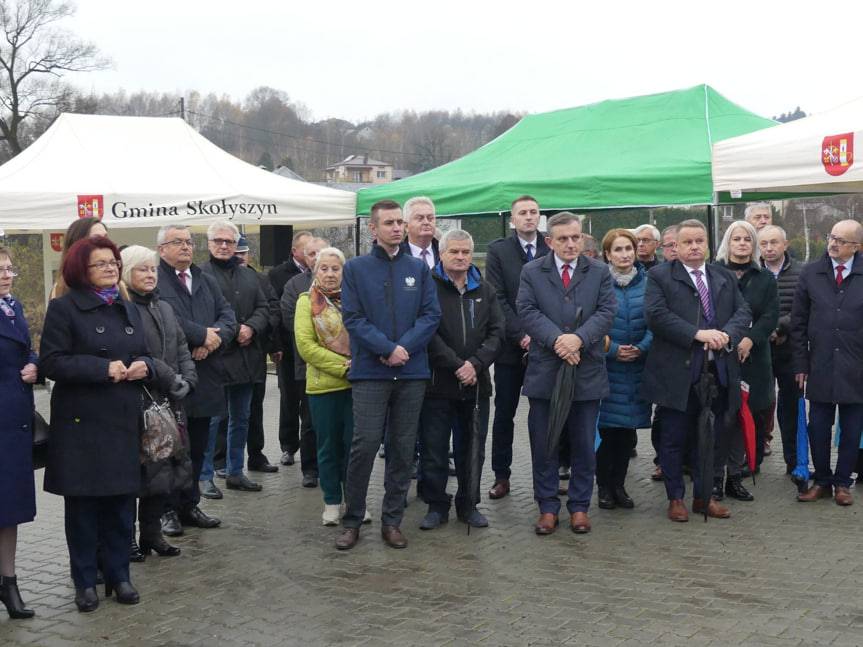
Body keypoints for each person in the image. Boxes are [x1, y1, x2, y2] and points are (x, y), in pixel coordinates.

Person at [41, 237, 154, 612]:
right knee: (84, 509)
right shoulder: (64, 308)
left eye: (114, 262)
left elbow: (143, 351)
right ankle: (85, 581)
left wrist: (145, 366)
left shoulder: (127, 307)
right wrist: (101, 368)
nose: (110, 268)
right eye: (101, 263)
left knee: (122, 506)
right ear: (80, 270)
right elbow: (52, 363)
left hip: (122, 417)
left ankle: (119, 575)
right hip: (82, 423)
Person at [334, 200, 440, 550]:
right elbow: (353, 318)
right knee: (364, 445)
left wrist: (403, 349)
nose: (397, 227)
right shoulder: (356, 269)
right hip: (370, 373)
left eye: (400, 222)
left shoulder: (418, 268)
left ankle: (392, 521)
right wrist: (386, 349)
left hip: (411, 373)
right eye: (390, 222)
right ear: (373, 228)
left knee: (403, 448)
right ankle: (352, 521)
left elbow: (430, 315)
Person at [641, 219, 751, 522]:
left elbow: (743, 311)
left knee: (711, 437)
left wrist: (727, 334)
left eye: (699, 241)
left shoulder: (724, 276)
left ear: (708, 244)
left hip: (718, 371)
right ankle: (676, 497)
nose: (693, 247)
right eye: (687, 242)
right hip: (677, 373)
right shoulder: (660, 276)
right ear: (675, 246)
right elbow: (656, 315)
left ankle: (705, 496)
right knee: (674, 437)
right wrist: (697, 334)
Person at [517, 212, 616, 535]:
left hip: (585, 368)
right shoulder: (532, 271)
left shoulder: (599, 271)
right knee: (545, 442)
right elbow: (527, 310)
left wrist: (579, 339)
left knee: (584, 444)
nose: (571, 244)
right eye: (563, 239)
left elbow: (606, 311)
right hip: (546, 369)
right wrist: (557, 339)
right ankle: (547, 506)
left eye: (575, 237)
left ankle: (579, 507)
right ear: (550, 242)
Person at [418, 229, 504, 530]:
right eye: (454, 251)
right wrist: (457, 365)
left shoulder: (486, 290)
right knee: (434, 449)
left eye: (465, 252)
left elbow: (497, 332)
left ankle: (469, 505)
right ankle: (436, 505)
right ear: (440, 254)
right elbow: (426, 333)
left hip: (476, 385)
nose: (460, 257)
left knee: (473, 449)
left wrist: (476, 364)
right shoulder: (427, 287)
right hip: (437, 385)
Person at [156, 225, 236, 534]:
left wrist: (213, 341)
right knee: (170, 449)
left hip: (206, 376)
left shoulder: (205, 280)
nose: (186, 247)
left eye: (189, 242)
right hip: (173, 378)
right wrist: (202, 336)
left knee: (198, 447)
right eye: (178, 242)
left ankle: (190, 504)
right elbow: (168, 320)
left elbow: (228, 317)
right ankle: (166, 510)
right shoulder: (158, 281)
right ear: (162, 249)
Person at [121, 246, 197, 559]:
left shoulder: (164, 307)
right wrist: (167, 379)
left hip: (169, 401)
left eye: (153, 269)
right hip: (137, 402)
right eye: (142, 269)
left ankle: (152, 533)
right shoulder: (123, 309)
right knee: (135, 474)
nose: (150, 275)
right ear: (127, 273)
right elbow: (134, 357)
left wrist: (189, 380)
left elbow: (181, 347)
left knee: (163, 471)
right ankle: (127, 539)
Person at [792, 219, 863, 506]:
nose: (833, 243)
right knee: (818, 427)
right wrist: (800, 364)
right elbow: (798, 323)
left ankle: (843, 483)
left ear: (856, 247)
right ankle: (821, 480)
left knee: (852, 429)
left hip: (856, 367)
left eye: (841, 240)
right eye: (831, 237)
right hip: (819, 364)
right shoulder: (811, 273)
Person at [484, 195, 550, 500]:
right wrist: (522, 335)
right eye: (522, 213)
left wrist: (541, 336)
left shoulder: (551, 248)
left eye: (533, 212)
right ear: (513, 219)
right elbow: (497, 298)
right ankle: (501, 475)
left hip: (547, 348)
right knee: (505, 414)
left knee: (544, 415)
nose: (528, 217)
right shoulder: (499, 251)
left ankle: (546, 474)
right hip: (512, 350)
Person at [201, 221, 271, 494]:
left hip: (247, 358)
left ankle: (235, 471)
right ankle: (205, 476)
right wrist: (232, 332)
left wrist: (252, 326)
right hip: (216, 358)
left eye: (228, 242)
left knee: (241, 419)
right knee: (212, 421)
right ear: (208, 244)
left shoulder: (250, 276)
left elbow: (264, 307)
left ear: (236, 245)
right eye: (218, 241)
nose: (223, 245)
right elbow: (202, 316)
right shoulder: (201, 276)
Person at [713, 221, 778, 501]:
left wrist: (751, 338)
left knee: (744, 418)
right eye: (736, 238)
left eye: (747, 239)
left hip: (753, 356)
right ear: (728, 242)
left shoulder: (764, 278)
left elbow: (770, 316)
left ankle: (736, 476)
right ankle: (714, 477)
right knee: (719, 418)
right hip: (719, 353)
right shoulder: (713, 273)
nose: (741, 243)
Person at [294, 247, 354, 525]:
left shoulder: (356, 299)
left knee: (354, 447)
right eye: (324, 268)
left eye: (335, 268)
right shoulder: (306, 302)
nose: (330, 274)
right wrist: (344, 367)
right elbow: (306, 347)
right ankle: (331, 501)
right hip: (323, 388)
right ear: (315, 271)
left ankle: (355, 501)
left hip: (356, 388)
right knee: (328, 448)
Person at [596, 229, 652, 510]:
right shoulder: (597, 282)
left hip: (638, 367)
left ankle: (619, 485)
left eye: (628, 248)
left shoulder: (649, 282)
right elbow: (592, 323)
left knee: (627, 433)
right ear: (608, 254)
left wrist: (642, 346)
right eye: (618, 249)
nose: (625, 254)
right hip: (607, 368)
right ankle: (604, 486)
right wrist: (613, 349)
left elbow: (658, 320)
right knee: (608, 433)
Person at [0, 247, 38, 619]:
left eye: (10, 269)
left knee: (8, 508)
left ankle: (8, 581)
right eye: (0, 270)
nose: (6, 275)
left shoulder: (14, 307)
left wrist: (34, 364)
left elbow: (27, 349)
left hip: (13, 421)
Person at [280, 236, 330, 488]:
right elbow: (290, 320)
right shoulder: (295, 285)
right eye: (311, 254)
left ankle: (333, 467)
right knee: (310, 420)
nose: (317, 258)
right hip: (306, 363)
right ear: (304, 257)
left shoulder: (343, 282)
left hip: (340, 365)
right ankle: (310, 469)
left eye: (321, 252)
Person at [232, 236, 280, 473]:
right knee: (225, 412)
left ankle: (256, 454)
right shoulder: (212, 277)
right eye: (236, 252)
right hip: (225, 353)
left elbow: (272, 309)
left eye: (244, 253)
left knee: (254, 408)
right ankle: (224, 460)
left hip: (255, 351)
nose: (240, 257)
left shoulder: (260, 279)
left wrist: (255, 330)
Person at [759, 225, 804, 477]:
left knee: (791, 407)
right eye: (763, 243)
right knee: (758, 405)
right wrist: (764, 330)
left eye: (774, 242)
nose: (769, 248)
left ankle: (794, 461)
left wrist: (778, 327)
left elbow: (804, 309)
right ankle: (751, 459)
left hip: (790, 351)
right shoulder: (753, 272)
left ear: (785, 244)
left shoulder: (802, 272)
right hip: (759, 350)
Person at [268, 230, 314, 467]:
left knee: (308, 403)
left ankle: (309, 447)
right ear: (295, 251)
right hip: (288, 347)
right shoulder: (278, 274)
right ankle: (288, 446)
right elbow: (275, 311)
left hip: (313, 352)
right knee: (289, 398)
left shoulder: (323, 272)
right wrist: (275, 345)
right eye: (307, 250)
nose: (310, 254)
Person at [49, 217, 109, 299]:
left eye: (106, 237)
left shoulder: (116, 284)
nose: (105, 243)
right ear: (78, 244)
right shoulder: (62, 288)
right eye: (96, 238)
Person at [399, 196, 440, 269]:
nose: (426, 222)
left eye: (430, 218)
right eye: (420, 218)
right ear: (406, 226)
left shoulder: (445, 253)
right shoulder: (397, 256)